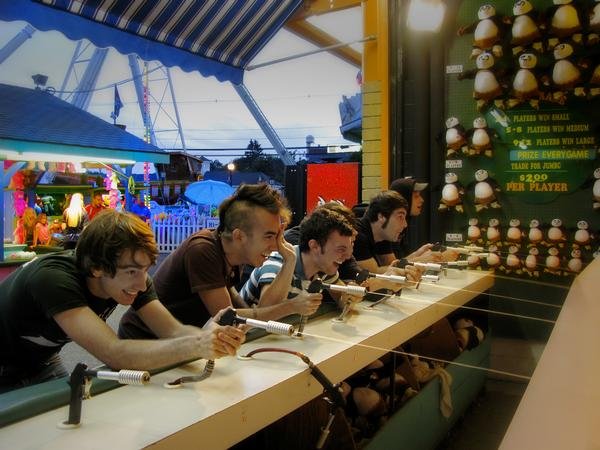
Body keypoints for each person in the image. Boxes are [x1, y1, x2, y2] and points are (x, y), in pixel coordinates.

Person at [0, 209, 245, 393]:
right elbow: (114, 353)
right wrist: (196, 344)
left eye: (145, 270)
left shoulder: (135, 281)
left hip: (40, 361)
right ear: (96, 267)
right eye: (131, 271)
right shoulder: (52, 279)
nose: (142, 284)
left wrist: (214, 337)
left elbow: (173, 331)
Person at [118, 183, 315, 339]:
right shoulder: (202, 250)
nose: (276, 245)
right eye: (270, 236)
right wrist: (291, 306)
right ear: (239, 236)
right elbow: (231, 319)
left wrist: (289, 261)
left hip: (176, 343)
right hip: (143, 342)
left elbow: (249, 315)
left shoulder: (231, 254)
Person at [240, 207, 362, 313]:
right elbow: (263, 312)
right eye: (341, 249)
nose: (348, 256)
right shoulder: (277, 262)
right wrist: (292, 306)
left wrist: (348, 298)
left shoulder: (324, 267)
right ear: (314, 246)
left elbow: (341, 298)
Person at [387, 177, 459, 264]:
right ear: (404, 199)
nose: (422, 200)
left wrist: (419, 254)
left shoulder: (403, 223)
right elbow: (390, 267)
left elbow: (398, 262)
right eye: (416, 196)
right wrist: (423, 259)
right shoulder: (387, 226)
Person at [353, 190, 414, 274]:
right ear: (381, 217)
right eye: (400, 217)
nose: (405, 224)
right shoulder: (357, 234)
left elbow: (392, 265)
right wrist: (420, 261)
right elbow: (372, 274)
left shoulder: (382, 234)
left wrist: (418, 255)